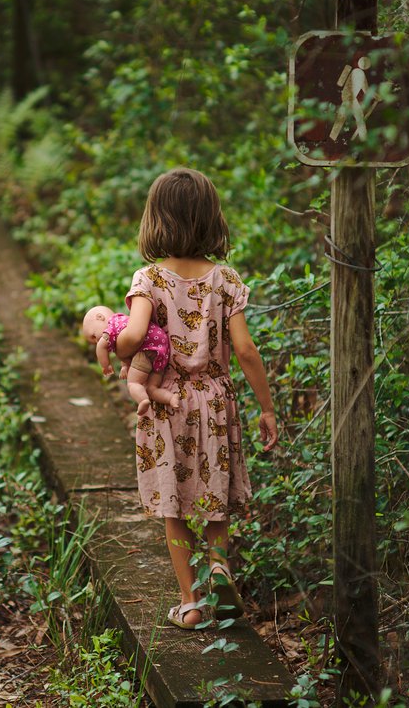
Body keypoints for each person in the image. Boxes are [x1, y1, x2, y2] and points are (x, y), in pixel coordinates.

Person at [113, 167, 279, 630]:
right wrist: (266, 408)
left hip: (167, 404)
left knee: (174, 503)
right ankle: (221, 568)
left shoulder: (148, 279)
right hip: (215, 401)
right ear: (211, 219)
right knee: (214, 500)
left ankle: (191, 603)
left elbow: (135, 335)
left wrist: (112, 336)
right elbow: (244, 349)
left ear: (155, 220)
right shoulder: (225, 279)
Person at [82, 305, 181, 415]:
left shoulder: (111, 326)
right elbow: (127, 352)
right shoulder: (123, 321)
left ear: (100, 317)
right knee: (151, 389)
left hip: (147, 348)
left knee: (133, 383)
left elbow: (101, 347)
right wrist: (125, 366)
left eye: (93, 336)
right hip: (161, 348)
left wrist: (106, 366)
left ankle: (142, 400)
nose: (96, 341)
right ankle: (171, 398)